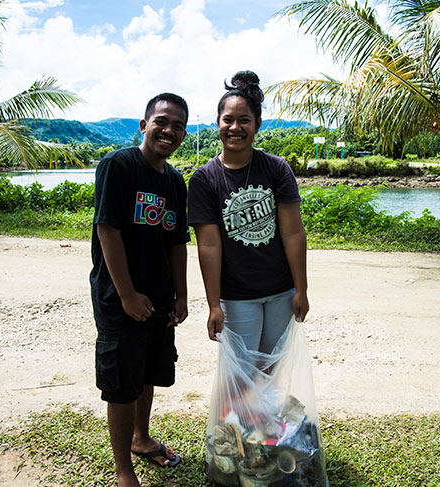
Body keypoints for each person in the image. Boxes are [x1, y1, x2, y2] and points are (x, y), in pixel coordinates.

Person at [89, 93, 189, 487]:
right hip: (120, 299)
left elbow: (177, 243)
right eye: (162, 121)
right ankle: (123, 471)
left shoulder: (176, 181)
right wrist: (128, 295)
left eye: (178, 125)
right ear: (144, 125)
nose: (169, 130)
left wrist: (181, 295)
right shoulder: (119, 165)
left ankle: (141, 438)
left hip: (160, 298)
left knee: (148, 372)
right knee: (122, 383)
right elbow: (107, 230)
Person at [188, 70, 309, 353]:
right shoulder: (204, 179)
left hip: (281, 291)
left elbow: (293, 233)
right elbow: (208, 245)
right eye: (228, 120)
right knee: (241, 379)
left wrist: (301, 290)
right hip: (237, 296)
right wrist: (214, 305)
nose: (235, 128)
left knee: (270, 371)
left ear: (257, 125)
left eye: (244, 120)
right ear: (217, 123)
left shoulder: (277, 168)